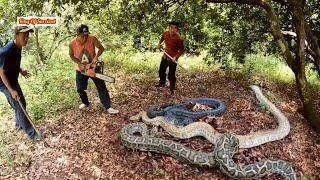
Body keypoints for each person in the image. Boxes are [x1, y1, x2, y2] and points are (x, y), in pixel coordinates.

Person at [0, 26, 42, 140]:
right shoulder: (6, 50)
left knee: (22, 102)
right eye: (24, 36)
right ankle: (32, 134)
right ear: (17, 35)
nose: (26, 38)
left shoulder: (19, 47)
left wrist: (21, 70)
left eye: (28, 36)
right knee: (19, 106)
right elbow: (1, 72)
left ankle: (19, 125)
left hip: (13, 79)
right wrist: (11, 90)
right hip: (4, 83)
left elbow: (13, 62)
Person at [69, 24, 119, 114]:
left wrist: (96, 57)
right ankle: (85, 103)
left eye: (86, 35)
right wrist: (79, 64)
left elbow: (101, 48)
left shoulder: (92, 38)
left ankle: (108, 107)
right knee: (80, 88)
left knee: (101, 87)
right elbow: (71, 55)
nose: (85, 37)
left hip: (93, 67)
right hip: (81, 69)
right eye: (82, 35)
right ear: (77, 34)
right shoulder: (72, 43)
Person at [156, 21, 185, 95]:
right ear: (169, 28)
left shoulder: (179, 39)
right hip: (165, 56)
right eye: (171, 27)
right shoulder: (166, 33)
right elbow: (162, 37)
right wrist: (159, 44)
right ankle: (162, 82)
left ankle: (172, 87)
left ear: (177, 30)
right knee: (161, 71)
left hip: (173, 59)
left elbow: (182, 50)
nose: (173, 29)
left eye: (175, 28)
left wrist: (176, 57)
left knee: (171, 74)